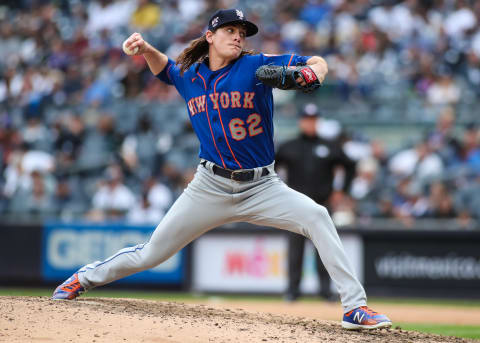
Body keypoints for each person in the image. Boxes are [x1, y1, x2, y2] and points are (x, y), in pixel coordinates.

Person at [52, 8, 391, 330]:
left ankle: (354, 306)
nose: (238, 37)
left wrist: (310, 73)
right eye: (230, 30)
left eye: (242, 32)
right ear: (210, 36)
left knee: (318, 216)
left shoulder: (256, 67)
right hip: (209, 186)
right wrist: (145, 48)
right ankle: (82, 279)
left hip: (262, 186)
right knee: (151, 254)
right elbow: (165, 69)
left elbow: (318, 63)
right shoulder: (191, 76)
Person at [276, 103, 356, 302]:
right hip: (295, 206)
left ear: (317, 122)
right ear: (301, 121)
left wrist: (342, 191)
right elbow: (270, 168)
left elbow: (351, 166)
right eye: (307, 120)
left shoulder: (329, 146)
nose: (310, 123)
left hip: (322, 204)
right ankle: (292, 291)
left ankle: (325, 291)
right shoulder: (289, 146)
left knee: (325, 249)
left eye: (313, 120)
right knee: (295, 250)